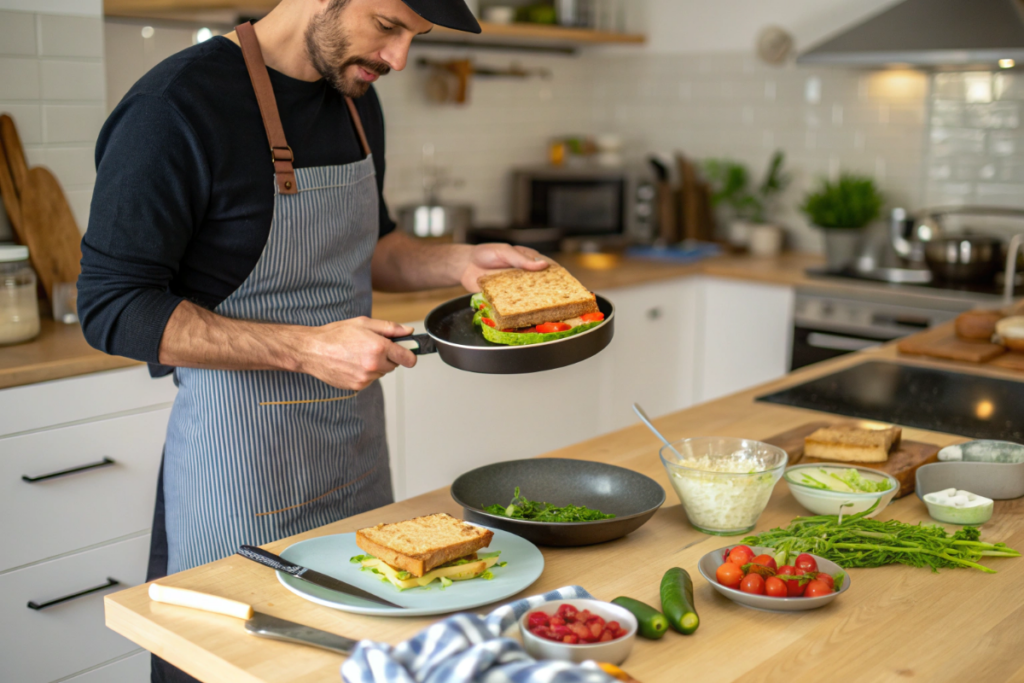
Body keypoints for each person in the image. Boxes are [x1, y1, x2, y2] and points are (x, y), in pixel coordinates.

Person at [77, 1, 546, 680]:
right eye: (388, 26)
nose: (398, 59)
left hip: (354, 454)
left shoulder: (356, 96)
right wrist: (304, 349)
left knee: (357, 659)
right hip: (237, 461)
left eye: (415, 38)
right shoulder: (173, 107)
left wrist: (459, 263)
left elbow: (372, 245)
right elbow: (112, 306)